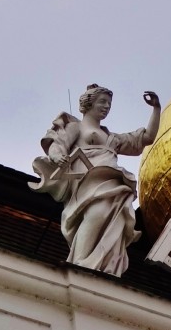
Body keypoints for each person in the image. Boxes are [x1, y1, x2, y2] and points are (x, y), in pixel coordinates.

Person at [30, 84, 160, 277]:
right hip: (87, 180)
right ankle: (81, 262)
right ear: (88, 104)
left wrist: (156, 108)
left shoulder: (112, 138)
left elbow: (147, 137)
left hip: (112, 180)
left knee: (115, 219)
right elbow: (57, 145)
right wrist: (58, 156)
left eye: (109, 104)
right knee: (96, 214)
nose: (106, 107)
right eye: (103, 102)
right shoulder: (76, 127)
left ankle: (103, 265)